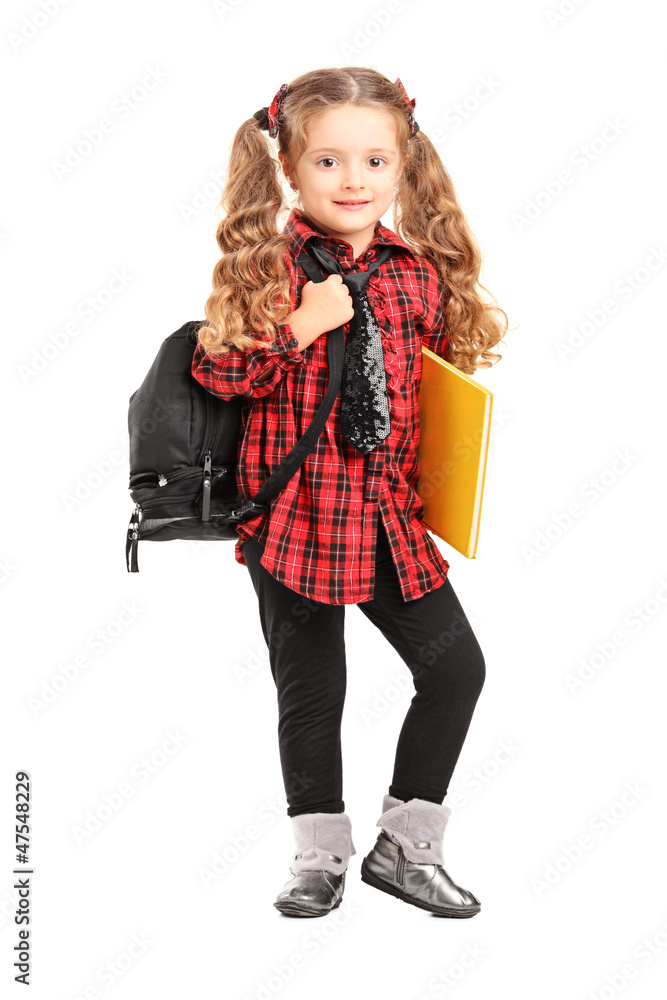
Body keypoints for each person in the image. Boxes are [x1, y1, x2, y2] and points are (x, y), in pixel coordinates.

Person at [191, 67, 508, 918]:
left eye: (375, 160)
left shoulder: (414, 272)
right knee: (311, 691)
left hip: (387, 518)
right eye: (328, 162)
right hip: (293, 521)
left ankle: (406, 847)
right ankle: (317, 858)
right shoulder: (270, 266)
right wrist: (304, 323)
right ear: (290, 169)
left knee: (456, 672)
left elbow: (427, 389)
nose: (354, 181)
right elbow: (217, 371)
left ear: (403, 166)